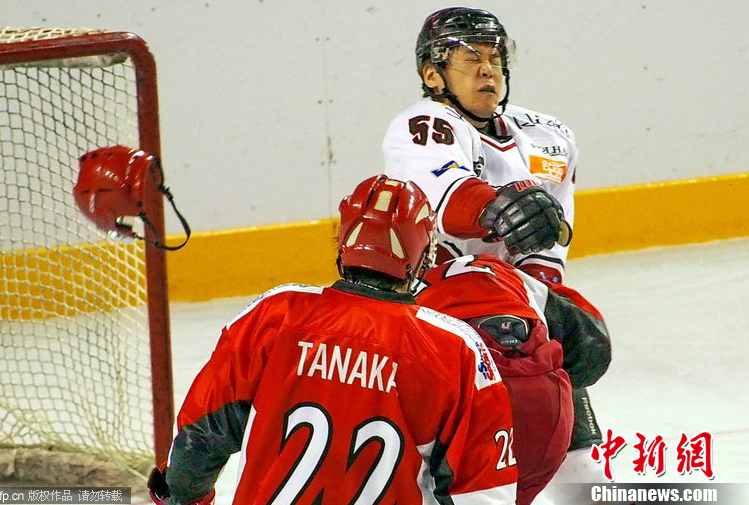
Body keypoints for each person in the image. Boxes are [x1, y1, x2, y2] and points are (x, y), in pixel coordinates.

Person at [147, 175, 518, 505]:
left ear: (345, 243)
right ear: (422, 254)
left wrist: (181, 496)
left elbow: (200, 439)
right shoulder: (455, 348)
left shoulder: (275, 314)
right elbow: (483, 491)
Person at [381, 7, 611, 498]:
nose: (488, 70)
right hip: (439, 323)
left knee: (580, 467)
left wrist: (543, 314)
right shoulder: (422, 124)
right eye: (471, 59)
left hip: (515, 315)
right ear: (432, 74)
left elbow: (545, 249)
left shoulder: (549, 136)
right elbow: (450, 202)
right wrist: (504, 207)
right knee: (443, 475)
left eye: (495, 58)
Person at [415, 254, 612, 504]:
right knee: (586, 478)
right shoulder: (511, 275)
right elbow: (593, 348)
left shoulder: (396, 297)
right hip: (546, 406)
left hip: (471, 412)